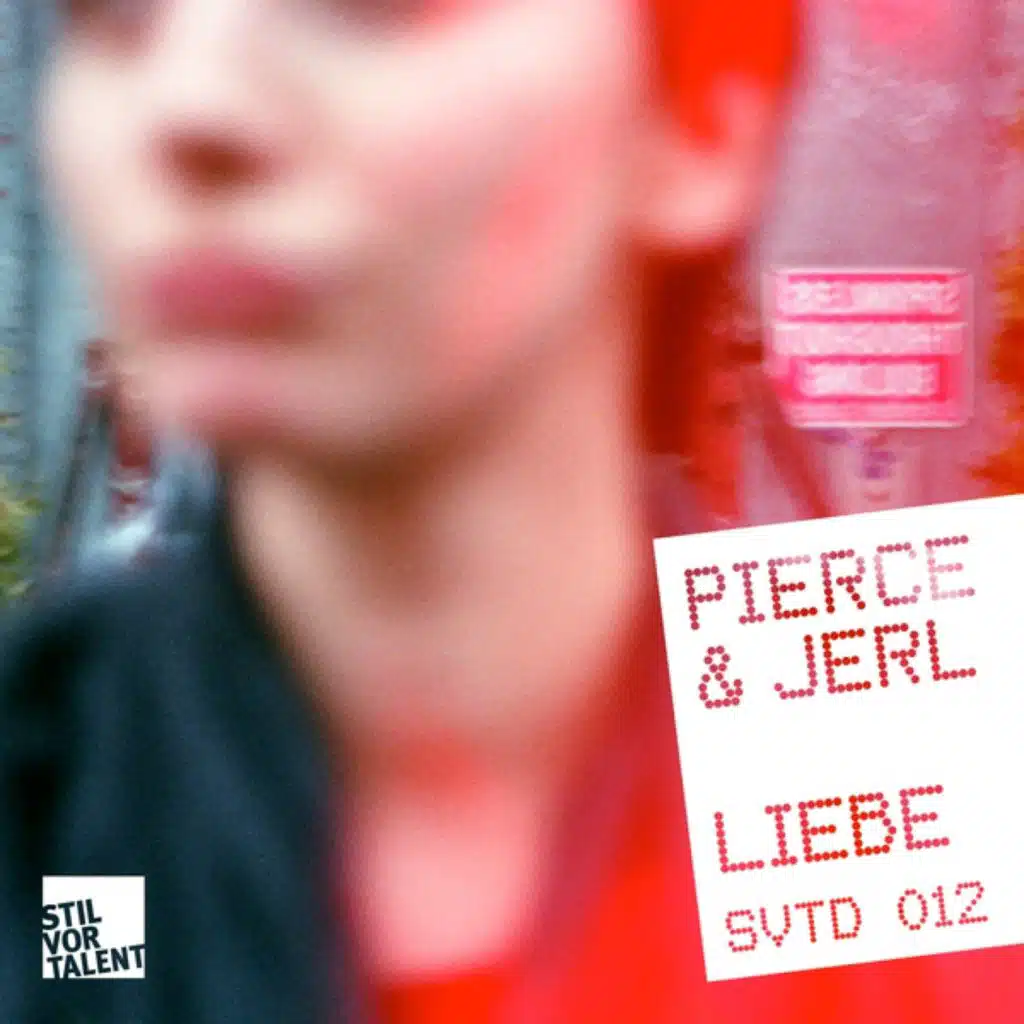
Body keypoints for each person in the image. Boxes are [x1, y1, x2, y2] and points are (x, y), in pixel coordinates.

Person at [2, 1, 1020, 1021]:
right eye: (114, 16)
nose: (189, 104)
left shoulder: (871, 776)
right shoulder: (62, 791)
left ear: (705, 113)